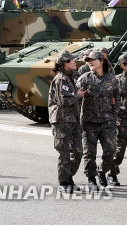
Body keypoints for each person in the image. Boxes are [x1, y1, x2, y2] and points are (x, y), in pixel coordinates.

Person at [76, 51, 120, 190]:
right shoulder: (84, 79)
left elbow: (117, 99)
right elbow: (76, 99)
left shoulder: (112, 79)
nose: (90, 62)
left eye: (92, 60)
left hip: (107, 121)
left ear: (101, 61)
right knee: (89, 153)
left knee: (111, 150)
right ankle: (91, 179)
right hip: (89, 122)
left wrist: (113, 115)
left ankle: (101, 171)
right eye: (88, 60)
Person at [47, 50, 85, 193]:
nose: (75, 62)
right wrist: (78, 95)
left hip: (73, 120)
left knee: (78, 151)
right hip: (62, 121)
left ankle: (69, 177)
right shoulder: (61, 79)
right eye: (72, 60)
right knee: (64, 153)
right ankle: (64, 182)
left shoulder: (70, 78)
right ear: (65, 63)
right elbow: (63, 100)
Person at [108, 53, 127, 186]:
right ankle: (111, 174)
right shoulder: (117, 81)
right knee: (119, 151)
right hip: (122, 121)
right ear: (122, 66)